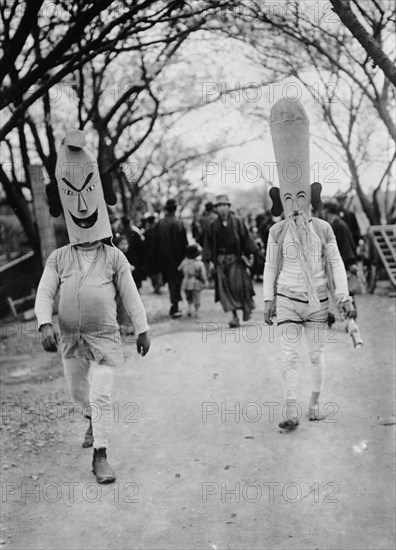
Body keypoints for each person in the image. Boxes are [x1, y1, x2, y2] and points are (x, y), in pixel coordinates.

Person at [35, 130, 150, 483]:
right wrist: (44, 322)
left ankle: (101, 452)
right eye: (73, 195)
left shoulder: (113, 255)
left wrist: (142, 328)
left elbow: (130, 294)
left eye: (89, 192)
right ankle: (91, 420)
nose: (83, 206)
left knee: (101, 393)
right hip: (70, 337)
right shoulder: (59, 257)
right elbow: (44, 292)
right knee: (77, 391)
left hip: (104, 337)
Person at [264, 99, 355, 430]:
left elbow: (337, 265)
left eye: (300, 198)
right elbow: (269, 269)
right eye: (288, 199)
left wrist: (343, 298)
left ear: (311, 198)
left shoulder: (323, 229)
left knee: (315, 355)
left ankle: (314, 404)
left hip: (317, 301)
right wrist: (268, 299)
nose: (295, 205)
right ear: (281, 201)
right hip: (288, 299)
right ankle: (290, 408)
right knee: (287, 356)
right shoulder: (276, 231)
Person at [209, 194, 257, 328]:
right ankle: (234, 316)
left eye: (224, 205)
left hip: (235, 260)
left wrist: (251, 254)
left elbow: (246, 239)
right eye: (219, 206)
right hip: (221, 261)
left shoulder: (237, 221)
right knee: (226, 290)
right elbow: (209, 244)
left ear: (228, 207)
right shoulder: (213, 225)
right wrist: (211, 262)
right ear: (216, 209)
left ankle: (246, 310)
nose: (222, 209)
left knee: (240, 287)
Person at [154, 198, 188, 318]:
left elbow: (155, 242)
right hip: (177, 258)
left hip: (164, 258)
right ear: (175, 209)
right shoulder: (178, 223)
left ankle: (174, 304)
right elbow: (184, 243)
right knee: (176, 282)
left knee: (171, 282)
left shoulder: (160, 223)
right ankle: (175, 306)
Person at [178, 244, 207, 317]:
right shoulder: (200, 263)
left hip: (186, 282)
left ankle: (189, 309)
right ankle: (196, 311)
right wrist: (204, 281)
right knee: (197, 298)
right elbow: (203, 275)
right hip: (196, 282)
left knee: (189, 297)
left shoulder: (184, 262)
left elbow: (179, 269)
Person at [119, 215, 146, 290]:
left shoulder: (120, 234)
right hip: (135, 260)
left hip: (124, 260)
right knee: (135, 282)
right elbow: (141, 248)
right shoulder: (135, 233)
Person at [196, 202, 219, 285]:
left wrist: (200, 242)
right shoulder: (216, 217)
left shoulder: (202, 219)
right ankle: (215, 280)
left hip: (206, 242)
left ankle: (207, 280)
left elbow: (200, 232)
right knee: (216, 261)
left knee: (206, 262)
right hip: (216, 242)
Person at [142, 212, 163, 294]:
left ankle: (156, 287)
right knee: (157, 271)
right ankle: (157, 287)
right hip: (157, 254)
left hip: (149, 254)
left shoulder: (146, 232)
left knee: (152, 271)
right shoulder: (157, 231)